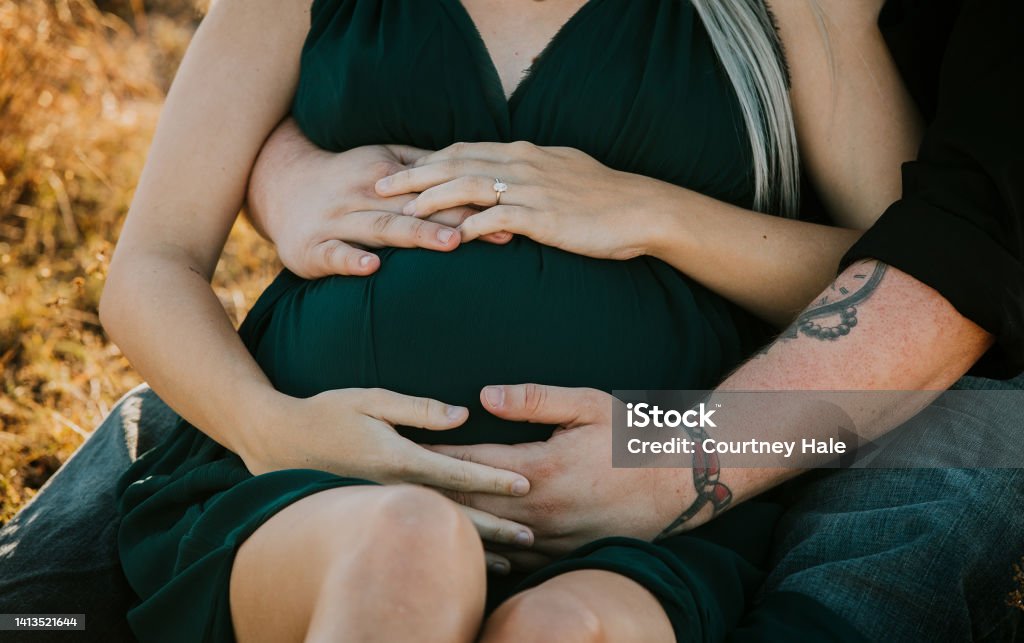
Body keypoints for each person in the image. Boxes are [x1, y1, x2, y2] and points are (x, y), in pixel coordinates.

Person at [97, 0, 931, 641]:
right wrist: (268, 429)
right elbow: (151, 265)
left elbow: (916, 284)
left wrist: (654, 213)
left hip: (652, 518)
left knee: (562, 632)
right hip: (305, 489)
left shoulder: (791, 12)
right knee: (408, 545)